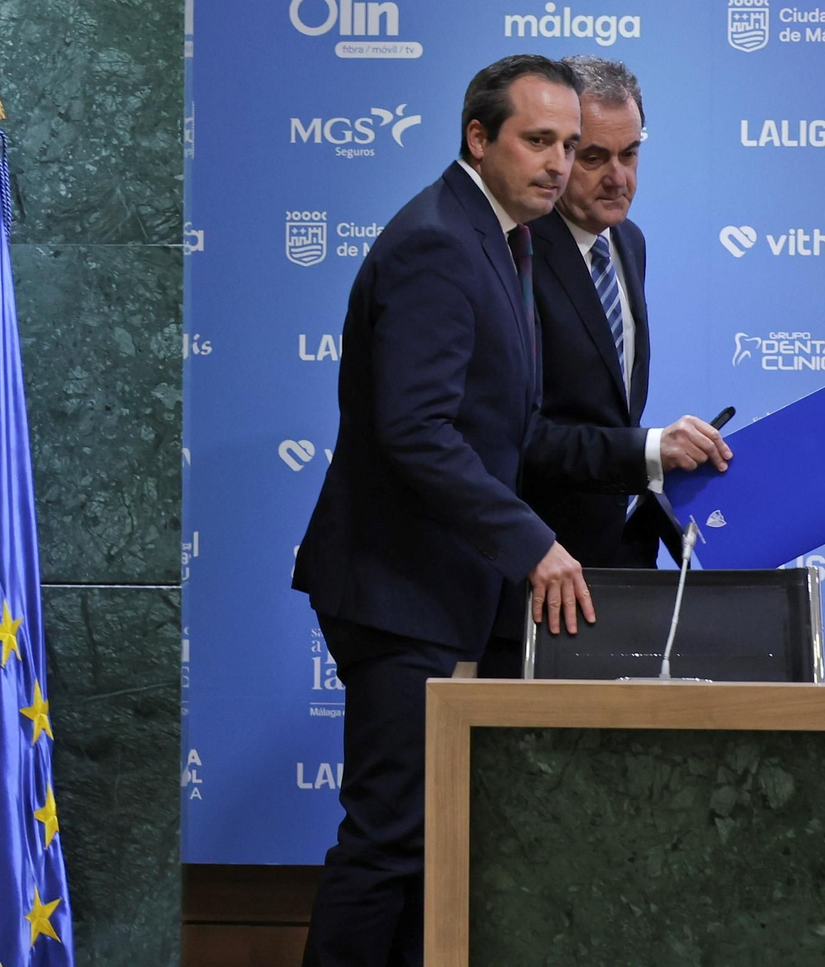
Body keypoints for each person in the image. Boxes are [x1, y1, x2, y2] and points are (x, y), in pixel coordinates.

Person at [291, 54, 729, 967]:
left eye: (572, 144)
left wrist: (650, 456)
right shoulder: (438, 242)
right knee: (391, 841)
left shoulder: (503, 238)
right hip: (402, 587)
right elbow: (415, 431)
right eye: (542, 142)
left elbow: (515, 427)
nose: (561, 165)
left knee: (436, 844)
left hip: (447, 588)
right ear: (478, 137)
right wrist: (533, 543)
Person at [521, 56, 701, 568]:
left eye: (630, 153)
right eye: (595, 157)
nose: (618, 178)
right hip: (531, 562)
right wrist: (649, 450)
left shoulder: (628, 241)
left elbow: (607, 411)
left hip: (609, 558)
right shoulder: (515, 252)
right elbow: (516, 435)